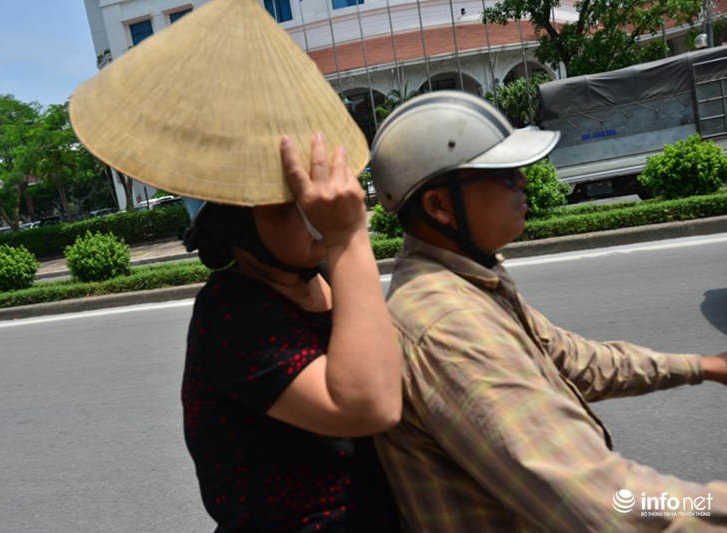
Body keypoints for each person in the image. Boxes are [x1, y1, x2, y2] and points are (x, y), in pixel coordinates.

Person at [369, 91, 727, 531]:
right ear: (440, 207)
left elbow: (573, 361)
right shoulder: (449, 327)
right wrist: (714, 506)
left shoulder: (471, 280)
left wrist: (704, 366)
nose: (521, 180)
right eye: (501, 173)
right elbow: (610, 501)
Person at [181, 133, 402, 531]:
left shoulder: (325, 276)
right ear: (234, 223)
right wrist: (348, 235)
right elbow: (370, 406)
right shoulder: (230, 313)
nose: (313, 210)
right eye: (289, 201)